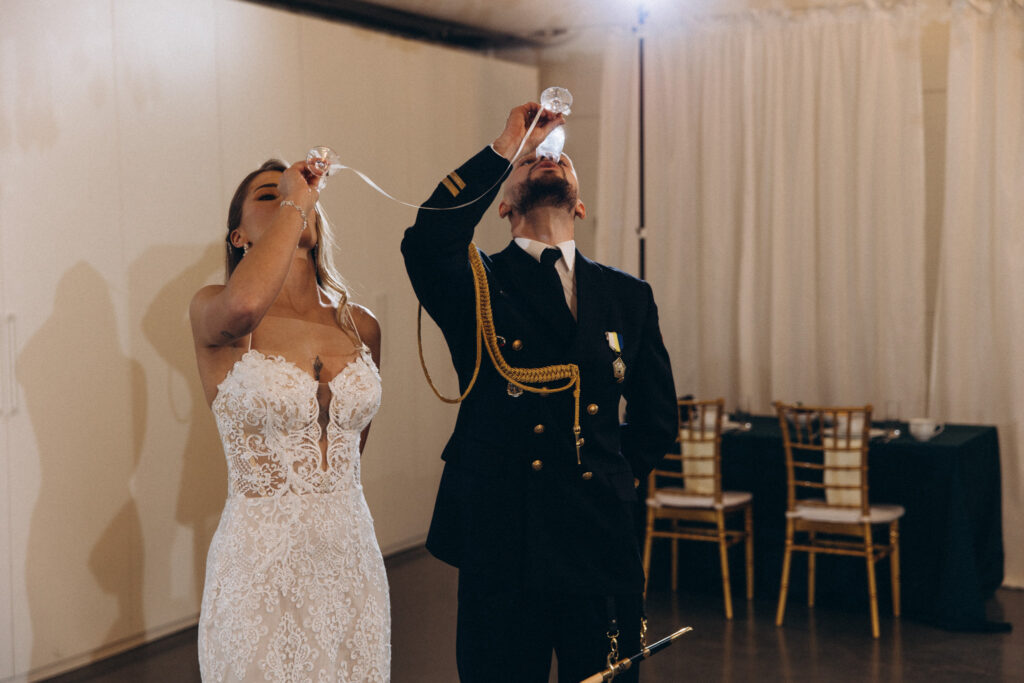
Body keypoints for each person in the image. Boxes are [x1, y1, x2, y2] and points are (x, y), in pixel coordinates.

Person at [401, 103, 677, 682]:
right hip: (504, 535)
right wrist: (507, 146)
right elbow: (427, 239)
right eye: (530, 163)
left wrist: (609, 476)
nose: (547, 160)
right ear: (502, 204)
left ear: (580, 204)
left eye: (560, 159)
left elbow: (657, 418)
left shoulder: (628, 296)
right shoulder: (477, 282)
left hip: (598, 539)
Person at [191, 158, 389, 682]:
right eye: (269, 195)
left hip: (350, 556)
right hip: (259, 565)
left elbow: (352, 448)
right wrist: (295, 204)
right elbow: (245, 303)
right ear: (238, 236)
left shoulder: (361, 324)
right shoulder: (218, 312)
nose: (288, 198)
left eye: (296, 192)